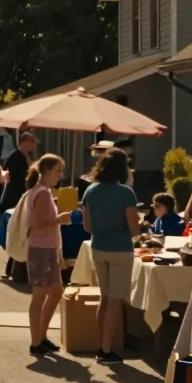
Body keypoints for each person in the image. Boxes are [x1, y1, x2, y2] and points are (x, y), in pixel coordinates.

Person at [81, 149, 140, 364]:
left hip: (98, 246)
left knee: (104, 298)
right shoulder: (126, 193)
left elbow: (87, 226)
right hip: (120, 248)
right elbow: (134, 229)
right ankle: (106, 350)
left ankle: (102, 345)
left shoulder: (90, 191)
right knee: (115, 301)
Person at [23, 154, 70, 355]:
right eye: (58, 170)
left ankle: (41, 336)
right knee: (40, 295)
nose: (60, 175)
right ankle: (36, 341)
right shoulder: (42, 193)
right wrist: (59, 219)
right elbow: (39, 227)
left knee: (56, 291)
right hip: (41, 249)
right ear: (48, 171)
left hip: (47, 249)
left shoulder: (43, 192)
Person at [0, 132, 36, 278]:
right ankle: (13, 268)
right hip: (15, 196)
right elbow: (18, 176)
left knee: (21, 233)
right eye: (31, 143)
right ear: (25, 142)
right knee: (20, 231)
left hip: (19, 194)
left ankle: (12, 268)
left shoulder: (21, 156)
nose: (33, 146)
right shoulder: (17, 156)